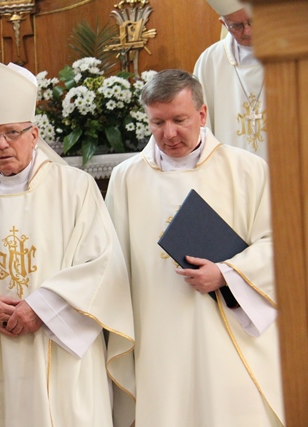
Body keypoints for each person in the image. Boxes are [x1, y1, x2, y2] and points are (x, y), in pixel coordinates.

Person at [0, 57, 136, 427]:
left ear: (34, 135)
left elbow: (102, 266)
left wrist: (42, 308)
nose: (3, 144)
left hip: (61, 353)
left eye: (12, 133)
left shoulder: (75, 189)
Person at [105, 69, 284, 426]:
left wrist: (227, 274)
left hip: (231, 337)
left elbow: (279, 245)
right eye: (158, 123)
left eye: (179, 120)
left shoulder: (246, 170)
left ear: (202, 114)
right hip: (157, 337)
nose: (168, 134)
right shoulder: (126, 178)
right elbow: (110, 261)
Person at [194, 0, 267, 161]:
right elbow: (200, 127)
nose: (247, 31)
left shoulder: (290, 54)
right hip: (230, 170)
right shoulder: (210, 62)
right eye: (237, 26)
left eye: (252, 21)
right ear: (224, 24)